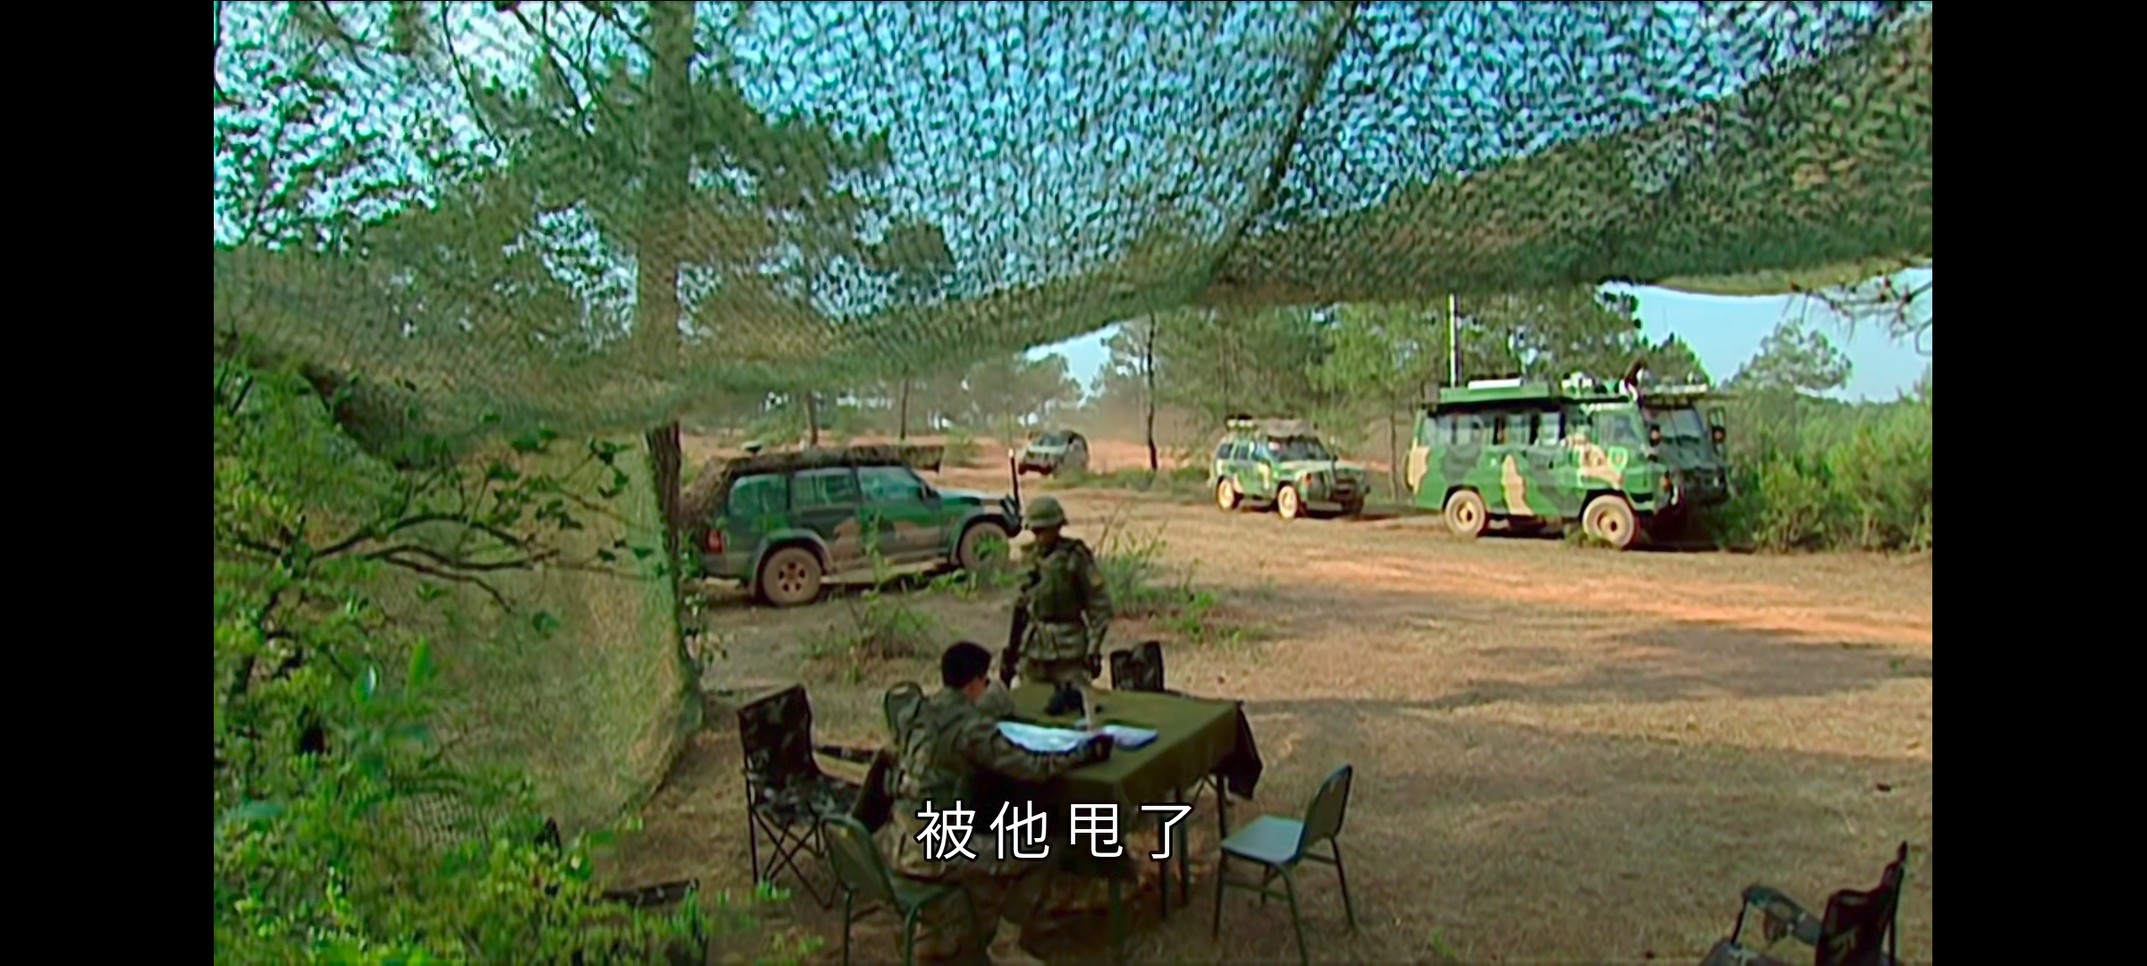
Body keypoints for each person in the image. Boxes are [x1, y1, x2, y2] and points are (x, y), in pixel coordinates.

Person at [888, 642, 1115, 964]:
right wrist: (1085, 753)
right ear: (974, 683)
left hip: (898, 836)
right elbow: (1034, 767)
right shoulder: (970, 728)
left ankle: (934, 934)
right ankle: (1005, 945)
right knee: (1043, 848)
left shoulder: (917, 713)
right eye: (985, 681)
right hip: (936, 849)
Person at [1012, 496, 1113, 715]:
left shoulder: (1076, 558)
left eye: (1044, 530)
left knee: (1077, 706)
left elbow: (1099, 605)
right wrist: (1013, 649)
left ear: (1057, 527)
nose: (1039, 536)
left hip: (1069, 648)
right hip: (1034, 647)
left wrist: (1094, 647)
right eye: (1035, 530)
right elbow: (1020, 606)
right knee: (1029, 706)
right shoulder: (1029, 558)